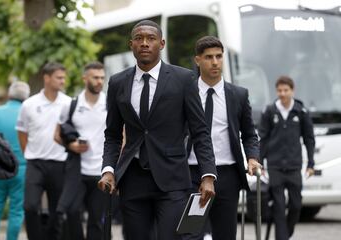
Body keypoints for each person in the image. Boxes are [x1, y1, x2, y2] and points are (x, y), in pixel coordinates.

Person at [98, 20, 217, 240]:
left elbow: (200, 131)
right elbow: (112, 135)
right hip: (132, 179)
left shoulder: (184, 79)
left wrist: (208, 175)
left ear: (161, 43)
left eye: (151, 39)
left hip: (172, 178)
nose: (145, 43)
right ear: (131, 44)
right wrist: (108, 169)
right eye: (139, 38)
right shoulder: (117, 82)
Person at [184, 36, 261, 240]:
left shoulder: (238, 95)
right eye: (209, 57)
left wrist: (252, 157)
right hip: (192, 173)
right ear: (198, 60)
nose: (215, 62)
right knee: (191, 233)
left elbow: (249, 133)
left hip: (227, 175)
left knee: (225, 235)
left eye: (219, 56)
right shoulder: (185, 92)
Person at [16, 62, 71, 240]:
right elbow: (22, 132)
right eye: (59, 77)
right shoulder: (29, 104)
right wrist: (29, 152)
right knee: (30, 207)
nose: (63, 81)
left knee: (57, 211)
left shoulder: (69, 103)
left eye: (64, 77)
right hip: (36, 164)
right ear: (46, 78)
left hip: (60, 164)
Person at [54, 61, 108, 239]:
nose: (99, 81)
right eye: (95, 77)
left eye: (102, 77)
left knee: (96, 220)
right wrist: (71, 145)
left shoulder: (110, 103)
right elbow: (57, 134)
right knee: (70, 211)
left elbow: (122, 136)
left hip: (101, 171)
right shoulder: (71, 105)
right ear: (85, 78)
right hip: (77, 170)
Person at [258, 76, 315, 240]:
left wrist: (310, 163)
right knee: (279, 206)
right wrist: (260, 162)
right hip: (274, 166)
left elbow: (309, 139)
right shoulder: (269, 111)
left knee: (296, 205)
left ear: (292, 90)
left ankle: (285, 234)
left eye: (286, 90)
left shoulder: (301, 112)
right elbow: (263, 139)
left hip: (294, 166)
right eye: (279, 90)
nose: (282, 94)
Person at [0, 82, 30, 240]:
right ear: (26, 97)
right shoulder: (28, 113)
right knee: (17, 211)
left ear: (9, 95)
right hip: (21, 169)